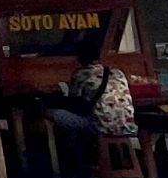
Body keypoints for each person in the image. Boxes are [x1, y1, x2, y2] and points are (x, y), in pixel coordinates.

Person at [51, 33, 139, 165]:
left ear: (79, 57)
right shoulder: (117, 72)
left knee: (53, 114)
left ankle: (68, 161)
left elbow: (74, 102)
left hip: (100, 127)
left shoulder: (81, 74)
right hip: (128, 126)